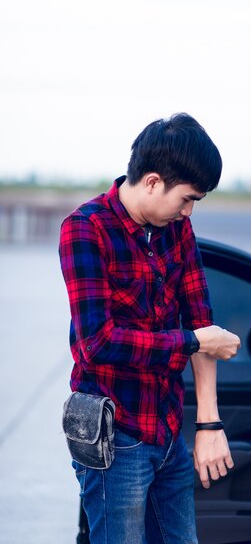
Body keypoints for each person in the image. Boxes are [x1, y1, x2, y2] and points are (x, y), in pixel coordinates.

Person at [59, 113, 241, 544]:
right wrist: (193, 341)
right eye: (187, 198)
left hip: (168, 429)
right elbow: (99, 343)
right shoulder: (85, 229)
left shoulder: (175, 229)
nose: (188, 211)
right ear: (154, 182)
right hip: (115, 435)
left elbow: (201, 320)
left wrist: (209, 426)